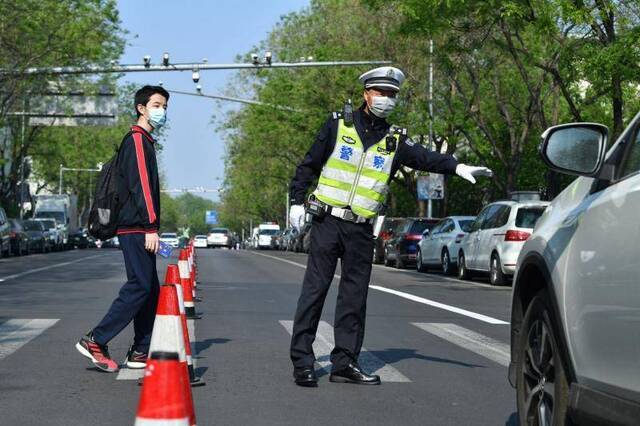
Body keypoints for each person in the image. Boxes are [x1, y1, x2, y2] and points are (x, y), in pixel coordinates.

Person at [288, 67, 492, 387]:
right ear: (366, 94)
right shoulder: (337, 125)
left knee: (354, 299)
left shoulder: (395, 141)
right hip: (328, 222)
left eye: (392, 94)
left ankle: (344, 363)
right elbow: (308, 165)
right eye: (381, 92)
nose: (386, 99)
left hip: (361, 229)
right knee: (315, 291)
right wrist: (296, 202)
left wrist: (457, 166)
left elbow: (425, 158)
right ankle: (302, 361)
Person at [75, 85, 169, 372]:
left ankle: (141, 350)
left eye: (164, 106)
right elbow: (141, 187)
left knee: (149, 289)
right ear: (141, 108)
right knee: (140, 285)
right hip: (136, 227)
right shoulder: (138, 141)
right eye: (156, 104)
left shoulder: (144, 141)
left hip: (137, 226)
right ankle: (96, 339)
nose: (161, 110)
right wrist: (151, 227)